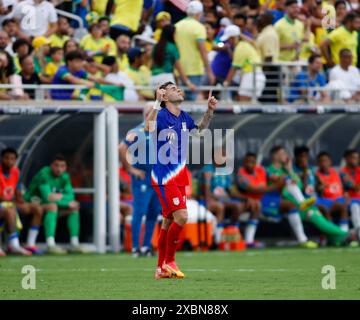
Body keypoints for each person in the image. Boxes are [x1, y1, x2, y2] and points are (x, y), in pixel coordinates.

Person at [145, 82, 217, 279]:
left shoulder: (184, 116)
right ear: (165, 96)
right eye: (173, 88)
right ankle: (169, 261)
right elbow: (147, 128)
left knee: (168, 221)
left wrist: (209, 111)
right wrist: (156, 103)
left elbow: (200, 130)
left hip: (179, 176)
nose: (178, 89)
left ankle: (160, 269)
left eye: (178, 87)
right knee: (182, 216)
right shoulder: (160, 114)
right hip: (164, 175)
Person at [119, 103, 162, 257]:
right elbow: (122, 148)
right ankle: (135, 247)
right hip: (142, 180)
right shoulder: (137, 131)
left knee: (153, 213)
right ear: (147, 114)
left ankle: (146, 246)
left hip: (157, 180)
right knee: (139, 212)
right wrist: (130, 169)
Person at [24, 154, 86, 254]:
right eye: (56, 165)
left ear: (66, 167)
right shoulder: (44, 174)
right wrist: (62, 198)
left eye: (62, 166)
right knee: (52, 206)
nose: (59, 169)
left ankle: (75, 244)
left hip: (48, 205)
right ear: (51, 165)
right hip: (30, 203)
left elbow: (71, 197)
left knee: (74, 207)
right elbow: (47, 197)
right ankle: (50, 245)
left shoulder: (65, 177)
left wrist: (58, 197)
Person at [266, 146, 318, 248]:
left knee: (293, 204)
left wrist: (289, 169)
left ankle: (303, 240)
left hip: (283, 199)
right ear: (275, 156)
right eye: (283, 153)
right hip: (270, 200)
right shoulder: (268, 170)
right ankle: (303, 204)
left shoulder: (285, 170)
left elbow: (299, 185)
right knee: (290, 186)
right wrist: (287, 179)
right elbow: (276, 180)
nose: (286, 156)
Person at [1, 147, 45, 254]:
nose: (9, 161)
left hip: (10, 203)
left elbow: (18, 191)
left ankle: (30, 244)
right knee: (9, 211)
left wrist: (22, 201)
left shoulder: (16, 172)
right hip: (3, 205)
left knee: (37, 208)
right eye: (6, 158)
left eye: (12, 159)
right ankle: (14, 246)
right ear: (2, 159)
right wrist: (11, 202)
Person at [175, 1, 215, 100]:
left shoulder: (176, 26)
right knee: (191, 100)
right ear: (199, 14)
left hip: (178, 69)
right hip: (194, 70)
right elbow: (203, 51)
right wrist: (209, 71)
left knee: (179, 100)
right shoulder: (199, 27)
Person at [223, 25, 265, 101]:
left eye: (228, 39)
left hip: (251, 77)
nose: (228, 41)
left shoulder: (240, 47)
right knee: (248, 104)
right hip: (255, 76)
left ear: (232, 38)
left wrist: (226, 83)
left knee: (244, 103)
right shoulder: (245, 45)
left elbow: (234, 67)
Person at [151, 24, 196, 92]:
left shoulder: (156, 46)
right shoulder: (172, 47)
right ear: (172, 34)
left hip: (153, 78)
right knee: (175, 99)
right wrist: (188, 83)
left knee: (159, 101)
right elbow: (179, 67)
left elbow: (151, 64)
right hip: (166, 78)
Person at [315, 152, 349, 232]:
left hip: (338, 199)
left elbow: (344, 188)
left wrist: (346, 194)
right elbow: (315, 190)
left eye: (325, 161)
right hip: (324, 201)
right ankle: (333, 233)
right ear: (318, 163)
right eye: (321, 161)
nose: (323, 164)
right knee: (325, 210)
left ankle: (344, 233)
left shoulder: (337, 173)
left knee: (344, 206)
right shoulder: (316, 175)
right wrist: (321, 187)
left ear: (330, 162)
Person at [341, 149, 360, 239]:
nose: (356, 160)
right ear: (347, 159)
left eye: (357, 158)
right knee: (355, 207)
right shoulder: (343, 172)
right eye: (353, 158)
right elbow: (356, 188)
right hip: (351, 200)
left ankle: (351, 233)